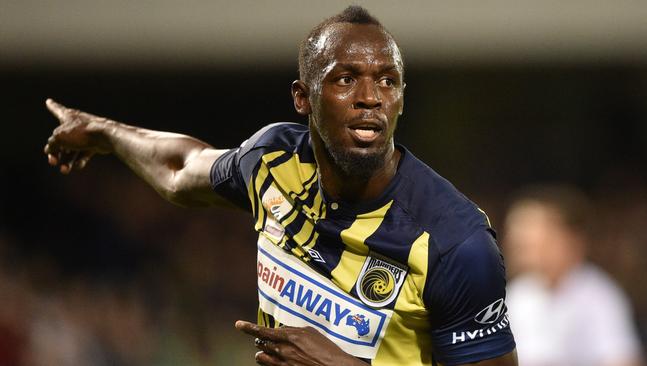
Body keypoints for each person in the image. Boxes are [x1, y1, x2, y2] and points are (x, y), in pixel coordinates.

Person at [43, 6, 517, 366]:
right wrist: (105, 132)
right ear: (303, 97)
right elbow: (180, 168)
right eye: (345, 79)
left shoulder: (456, 244)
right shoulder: (274, 160)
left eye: (387, 81)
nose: (370, 98)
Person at [503, 185, 643, 366]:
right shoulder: (517, 295)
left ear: (569, 240)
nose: (521, 243)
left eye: (534, 236)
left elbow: (624, 359)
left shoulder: (598, 295)